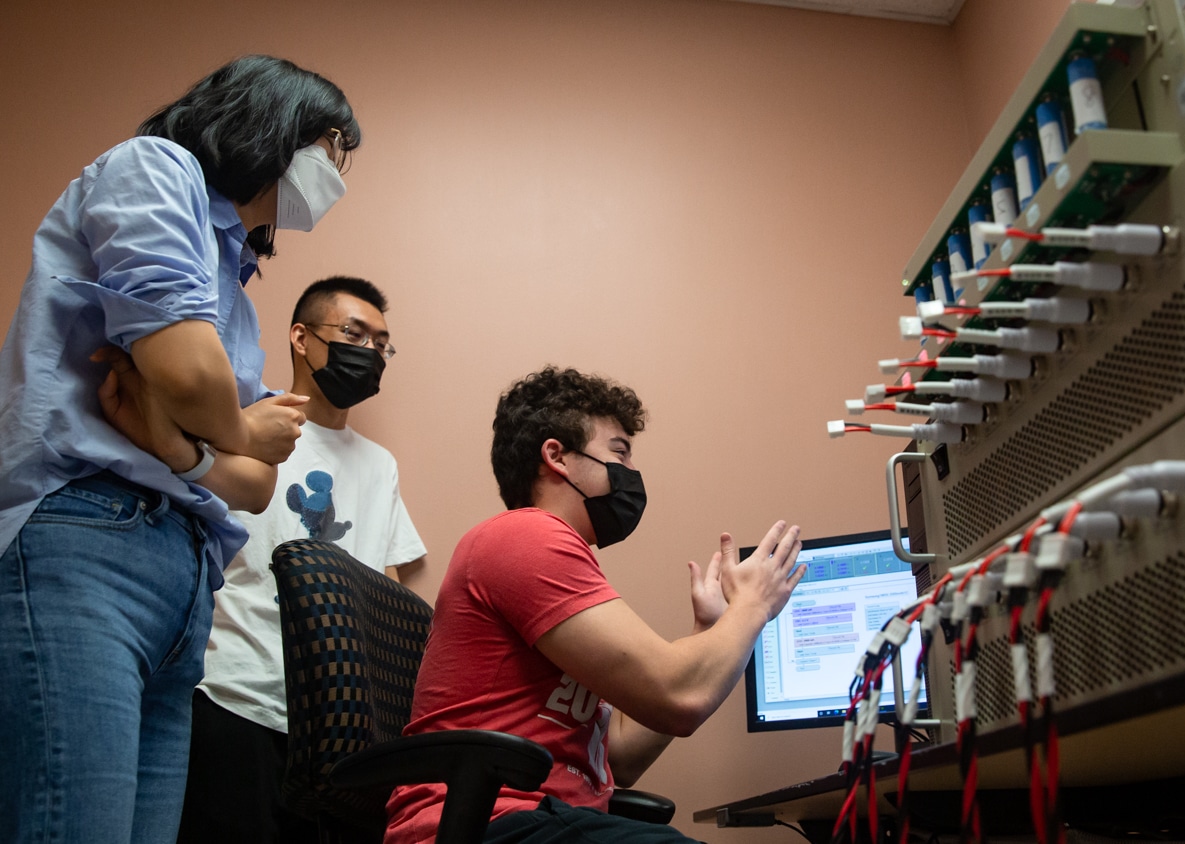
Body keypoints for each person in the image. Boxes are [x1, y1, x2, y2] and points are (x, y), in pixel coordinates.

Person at [0, 56, 359, 843]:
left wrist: (176, 442)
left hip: (184, 574)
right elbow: (192, 376)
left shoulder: (233, 273)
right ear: (277, 119)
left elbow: (260, 487)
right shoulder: (154, 170)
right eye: (335, 145)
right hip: (90, 539)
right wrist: (235, 429)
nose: (338, 173)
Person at [384, 366, 805, 844]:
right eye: (618, 452)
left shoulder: (557, 560)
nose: (630, 474)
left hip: (543, 819)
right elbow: (678, 698)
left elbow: (621, 756)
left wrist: (707, 632)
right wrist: (752, 606)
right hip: (486, 824)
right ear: (556, 456)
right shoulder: (525, 538)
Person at [177, 276, 428, 843]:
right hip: (235, 696)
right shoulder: (242, 424)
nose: (369, 353)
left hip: (340, 728)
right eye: (353, 333)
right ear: (301, 337)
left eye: (381, 344)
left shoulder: (379, 465)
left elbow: (387, 595)